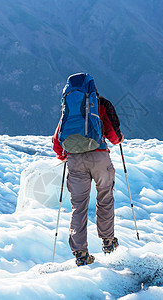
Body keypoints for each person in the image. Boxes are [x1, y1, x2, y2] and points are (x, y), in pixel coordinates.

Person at [52, 76, 124, 266]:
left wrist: (65, 156)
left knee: (79, 207)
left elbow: (57, 142)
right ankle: (108, 242)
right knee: (105, 198)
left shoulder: (67, 109)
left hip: (75, 160)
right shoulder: (100, 104)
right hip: (99, 156)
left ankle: (81, 253)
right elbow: (114, 136)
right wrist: (119, 139)